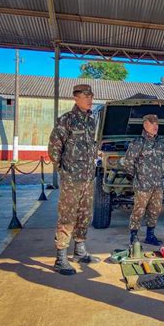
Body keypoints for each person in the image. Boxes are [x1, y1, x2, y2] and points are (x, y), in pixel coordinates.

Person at [48, 84, 100, 276]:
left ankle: (79, 250)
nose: (89, 99)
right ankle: (61, 258)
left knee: (84, 214)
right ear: (75, 98)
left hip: (87, 177)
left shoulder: (91, 121)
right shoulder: (66, 120)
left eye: (91, 96)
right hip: (72, 178)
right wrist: (64, 170)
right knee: (67, 215)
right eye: (85, 96)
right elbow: (54, 148)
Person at [122, 114, 164, 246]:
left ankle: (150, 235)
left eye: (157, 124)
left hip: (157, 185)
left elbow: (161, 161)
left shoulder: (159, 143)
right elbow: (128, 162)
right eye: (152, 123)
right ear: (145, 125)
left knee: (155, 210)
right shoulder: (138, 142)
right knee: (138, 210)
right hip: (142, 185)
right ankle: (134, 236)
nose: (155, 126)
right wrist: (137, 176)